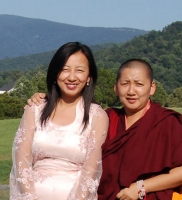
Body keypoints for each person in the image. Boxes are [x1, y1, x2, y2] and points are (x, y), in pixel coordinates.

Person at [27, 58, 182, 200]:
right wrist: (46, 98)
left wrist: (140, 187)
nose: (131, 91)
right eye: (125, 84)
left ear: (152, 87)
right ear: (116, 88)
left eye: (139, 84)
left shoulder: (165, 121)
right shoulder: (106, 118)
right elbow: (72, 111)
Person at [9, 42, 109, 200]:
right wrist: (29, 197)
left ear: (89, 77)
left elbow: (91, 170)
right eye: (65, 69)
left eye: (80, 70)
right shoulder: (35, 109)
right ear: (55, 74)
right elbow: (21, 159)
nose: (71, 77)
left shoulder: (97, 116)